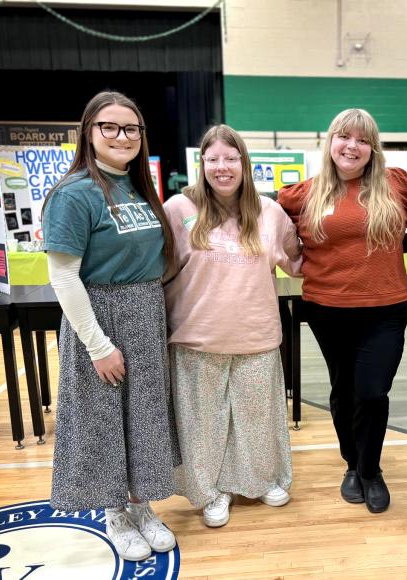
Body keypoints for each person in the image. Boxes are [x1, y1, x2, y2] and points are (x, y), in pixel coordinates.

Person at [42, 91, 179, 561]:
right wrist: (98, 345)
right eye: (110, 127)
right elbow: (62, 276)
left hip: (144, 313)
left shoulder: (137, 186)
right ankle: (114, 512)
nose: (122, 136)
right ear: (89, 132)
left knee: (143, 418)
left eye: (131, 128)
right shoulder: (74, 193)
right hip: (100, 317)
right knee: (102, 421)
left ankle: (141, 505)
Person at [163, 125, 301, 528]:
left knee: (258, 418)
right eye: (213, 159)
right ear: (201, 164)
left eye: (231, 158)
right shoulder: (178, 210)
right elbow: (158, 270)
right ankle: (210, 491)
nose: (222, 167)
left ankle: (259, 480)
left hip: (256, 336)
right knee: (203, 425)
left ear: (244, 162)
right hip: (197, 339)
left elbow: (299, 261)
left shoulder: (269, 212)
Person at [278, 109, 407, 513]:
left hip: (386, 308)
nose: (352, 146)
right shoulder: (304, 193)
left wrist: (385, 254)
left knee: (372, 392)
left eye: (362, 139)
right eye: (344, 137)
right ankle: (353, 465)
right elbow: (265, 222)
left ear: (373, 148)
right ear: (331, 141)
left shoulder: (397, 186)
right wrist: (289, 261)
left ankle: (372, 469)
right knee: (344, 391)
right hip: (328, 309)